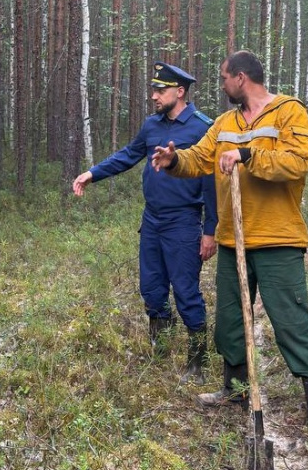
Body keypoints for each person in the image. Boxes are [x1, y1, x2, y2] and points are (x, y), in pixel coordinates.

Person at [151, 49, 308, 446]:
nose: (221, 85)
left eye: (223, 78)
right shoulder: (224, 123)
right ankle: (234, 391)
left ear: (240, 78)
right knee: (231, 321)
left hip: (277, 239)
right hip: (233, 240)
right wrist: (173, 160)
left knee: (292, 323)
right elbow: (199, 159)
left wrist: (248, 155)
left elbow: (296, 162)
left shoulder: (289, 112)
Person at [73, 61, 218, 384]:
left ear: (179, 92)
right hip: (152, 220)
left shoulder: (203, 128)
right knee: (152, 288)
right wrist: (92, 173)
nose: (154, 96)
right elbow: (128, 154)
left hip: (184, 221)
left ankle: (197, 359)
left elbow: (212, 184)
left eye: (160, 90)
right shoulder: (152, 126)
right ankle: (161, 347)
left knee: (185, 290)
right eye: (153, 89)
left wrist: (210, 231)